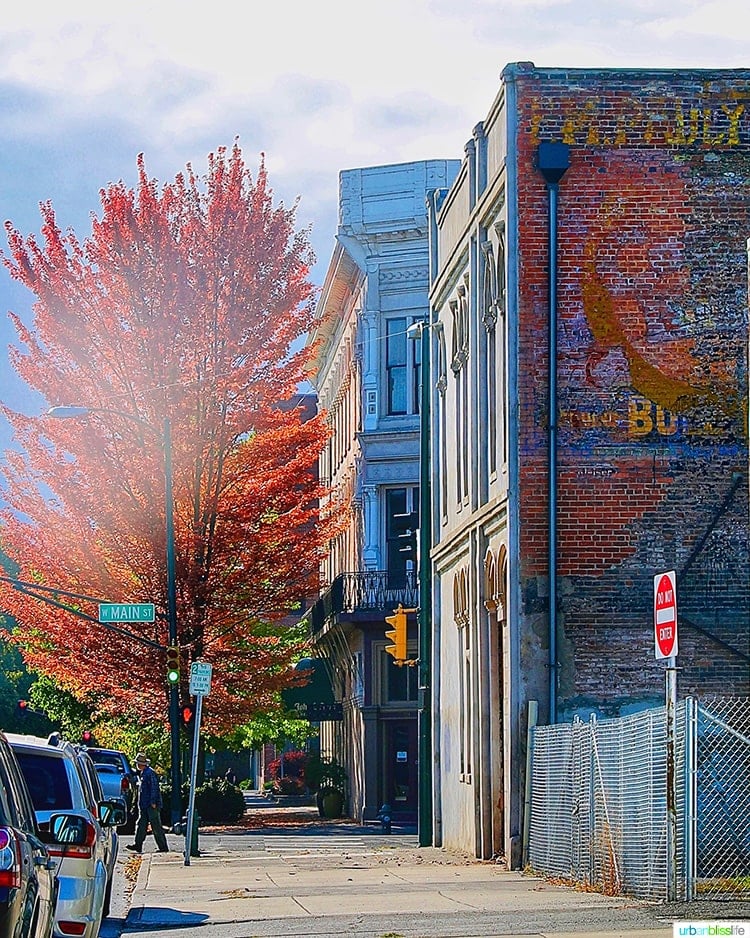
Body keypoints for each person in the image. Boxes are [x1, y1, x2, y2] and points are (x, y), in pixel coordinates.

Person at [126, 753, 169, 854]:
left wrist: (153, 802)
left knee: (156, 826)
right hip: (144, 805)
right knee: (141, 824)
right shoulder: (143, 773)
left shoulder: (150, 773)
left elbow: (154, 788)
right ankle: (138, 845)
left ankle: (163, 847)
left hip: (150, 805)